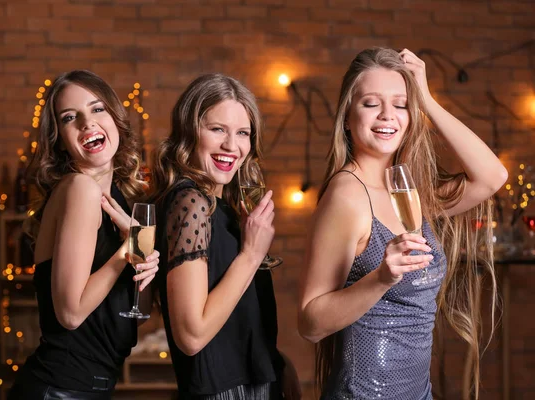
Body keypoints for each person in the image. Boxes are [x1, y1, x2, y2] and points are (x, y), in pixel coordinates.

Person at [298, 48, 507, 399]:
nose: (387, 116)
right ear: (348, 116)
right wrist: (381, 278)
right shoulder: (347, 196)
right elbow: (310, 324)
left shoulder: (409, 189)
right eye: (370, 103)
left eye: (400, 104)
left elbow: (491, 177)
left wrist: (424, 98)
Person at [8, 70, 160, 399]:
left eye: (97, 109)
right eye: (69, 117)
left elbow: (140, 313)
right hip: (60, 389)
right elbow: (71, 313)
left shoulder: (124, 199)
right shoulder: (78, 189)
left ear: (116, 119)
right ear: (60, 139)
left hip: (92, 387)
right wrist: (126, 250)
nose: (87, 123)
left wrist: (143, 256)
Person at [151, 73, 301, 400]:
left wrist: (275, 364)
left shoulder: (224, 207)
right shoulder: (190, 203)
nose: (231, 146)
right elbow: (192, 335)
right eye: (217, 129)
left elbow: (239, 319)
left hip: (258, 384)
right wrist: (250, 255)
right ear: (189, 131)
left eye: (243, 133)